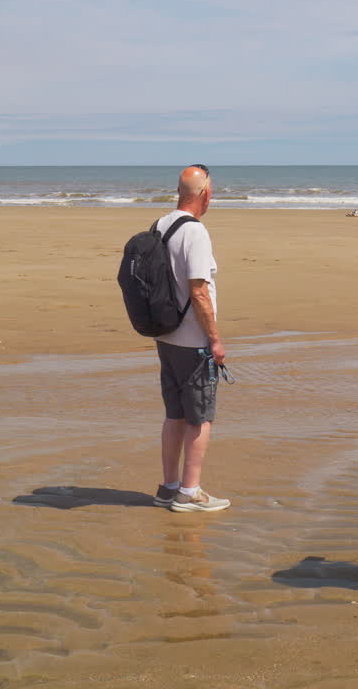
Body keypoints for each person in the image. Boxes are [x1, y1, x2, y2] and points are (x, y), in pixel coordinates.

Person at [152, 164, 230, 513]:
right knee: (200, 418)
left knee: (175, 415)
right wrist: (215, 340)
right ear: (205, 194)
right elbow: (199, 291)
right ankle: (190, 491)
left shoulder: (160, 224)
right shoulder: (195, 232)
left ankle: (168, 488)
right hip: (192, 341)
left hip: (165, 336)